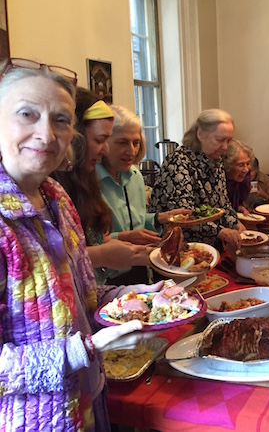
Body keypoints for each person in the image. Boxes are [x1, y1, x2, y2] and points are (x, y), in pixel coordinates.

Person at [0, 58, 160, 431]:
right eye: (27, 114)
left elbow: (84, 297)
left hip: (89, 404)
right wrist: (85, 348)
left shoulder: (56, 198)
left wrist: (137, 296)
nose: (47, 134)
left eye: (60, 120)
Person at [54, 88, 151, 285]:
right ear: (75, 137)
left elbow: (98, 239)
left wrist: (146, 254)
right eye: (100, 140)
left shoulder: (83, 180)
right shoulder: (52, 188)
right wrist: (101, 255)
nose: (105, 149)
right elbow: (41, 262)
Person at [96, 105, 188, 283]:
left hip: (141, 268)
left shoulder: (135, 175)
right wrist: (124, 237)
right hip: (107, 276)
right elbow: (84, 242)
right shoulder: (89, 183)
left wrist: (159, 218)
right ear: (103, 142)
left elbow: (135, 219)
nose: (131, 151)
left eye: (136, 142)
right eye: (122, 142)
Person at [148, 108, 245, 249]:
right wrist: (221, 231)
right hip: (177, 244)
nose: (225, 147)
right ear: (200, 134)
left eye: (229, 141)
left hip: (208, 243)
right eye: (220, 140)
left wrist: (235, 223)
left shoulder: (215, 160)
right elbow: (184, 216)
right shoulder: (178, 161)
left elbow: (223, 205)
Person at [223, 138, 254, 215]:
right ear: (228, 165)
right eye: (240, 165)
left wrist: (240, 208)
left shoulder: (245, 179)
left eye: (248, 164)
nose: (246, 170)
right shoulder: (219, 181)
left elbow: (237, 204)